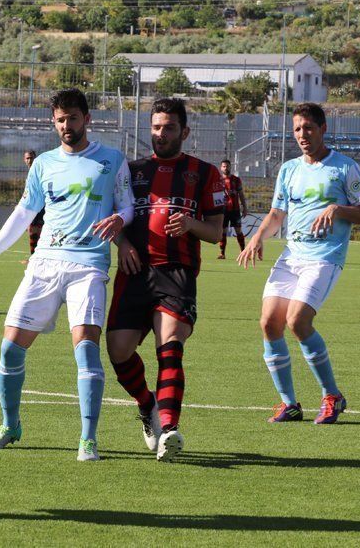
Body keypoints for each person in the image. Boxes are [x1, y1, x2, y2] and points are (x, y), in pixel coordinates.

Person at [0, 88, 134, 462]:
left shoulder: (111, 160)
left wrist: (120, 219)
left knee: (86, 350)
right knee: (10, 348)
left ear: (87, 119)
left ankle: (88, 439)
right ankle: (10, 426)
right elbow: (24, 213)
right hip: (44, 264)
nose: (66, 125)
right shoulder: (43, 164)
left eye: (73, 118)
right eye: (60, 119)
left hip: (89, 266)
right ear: (53, 121)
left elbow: (129, 206)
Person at [237, 103, 360, 425]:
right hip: (291, 256)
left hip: (324, 258)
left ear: (323, 129)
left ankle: (332, 396)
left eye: (308, 128)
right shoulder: (289, 169)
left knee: (297, 321)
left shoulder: (344, 167)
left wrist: (338, 209)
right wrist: (258, 237)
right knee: (269, 323)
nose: (302, 135)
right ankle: (290, 404)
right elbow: (276, 214)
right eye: (297, 129)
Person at [106, 98, 224, 462]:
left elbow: (216, 231)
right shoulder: (131, 170)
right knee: (118, 351)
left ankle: (169, 430)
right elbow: (114, 218)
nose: (161, 134)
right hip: (134, 272)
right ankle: (148, 407)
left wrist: (191, 224)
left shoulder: (205, 173)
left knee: (170, 344)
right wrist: (123, 243)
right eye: (156, 127)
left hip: (177, 272)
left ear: (184, 132)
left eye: (169, 127)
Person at [218, 159, 248, 259]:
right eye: (224, 166)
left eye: (227, 166)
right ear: (221, 168)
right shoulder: (218, 180)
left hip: (235, 210)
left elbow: (241, 194)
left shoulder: (236, 179)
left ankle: (243, 251)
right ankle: (222, 253)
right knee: (223, 232)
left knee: (238, 231)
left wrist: (245, 207)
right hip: (223, 210)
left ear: (231, 167)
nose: (226, 168)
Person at [22, 149, 44, 265]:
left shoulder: (38, 171)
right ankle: (34, 257)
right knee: (32, 230)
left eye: (31, 158)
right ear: (24, 160)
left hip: (39, 206)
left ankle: (37, 258)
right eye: (27, 158)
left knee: (37, 230)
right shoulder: (30, 172)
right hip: (32, 206)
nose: (29, 160)